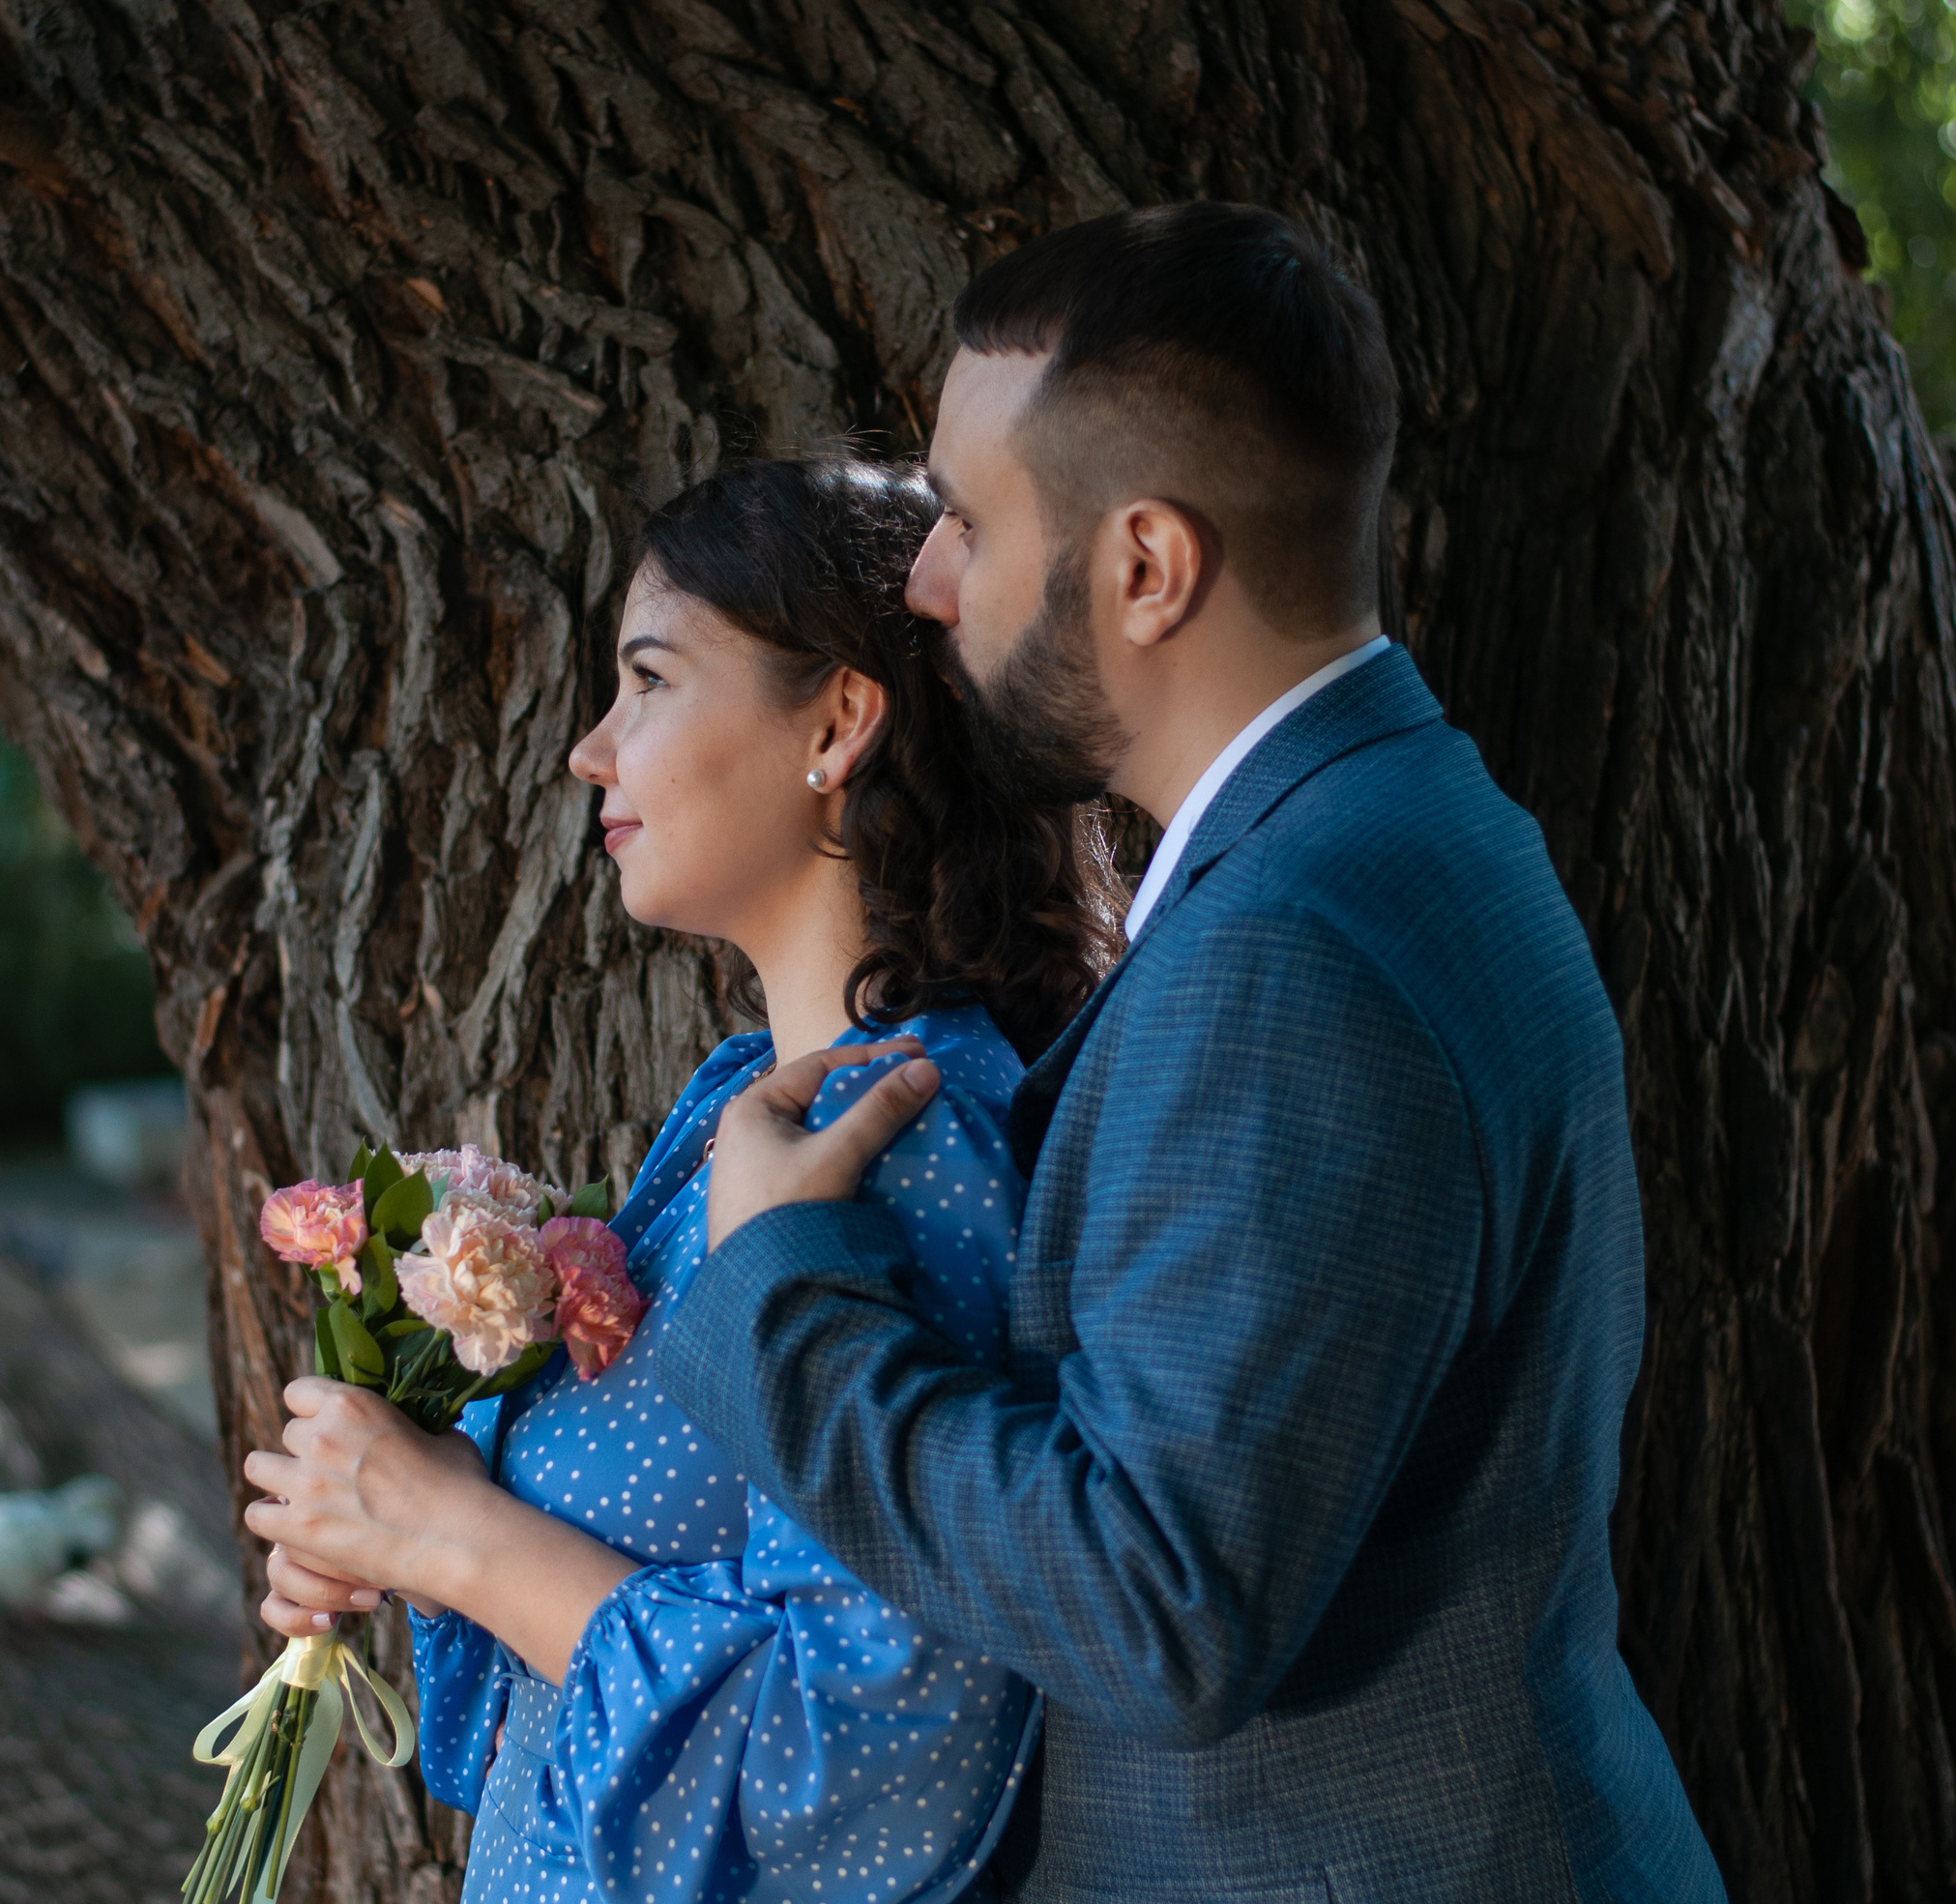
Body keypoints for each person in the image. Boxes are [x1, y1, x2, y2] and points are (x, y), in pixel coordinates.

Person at [657, 205, 1728, 1900]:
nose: (928, 582)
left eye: (971, 523)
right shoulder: (1404, 817)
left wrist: (784, 1294)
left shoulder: (1291, 949)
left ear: (1147, 566)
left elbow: (1158, 1600)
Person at [236, 456, 1120, 1904]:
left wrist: (452, 1533)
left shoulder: (909, 1138)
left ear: (835, 721)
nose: (592, 748)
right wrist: (387, 1513)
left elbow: (880, 1747)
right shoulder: (740, 1103)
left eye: (648, 680)